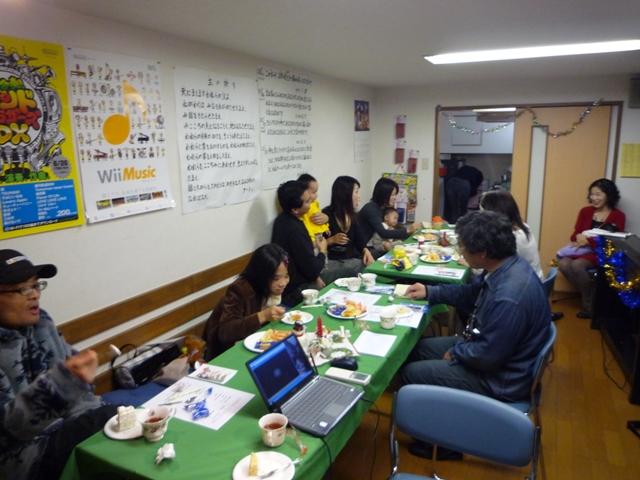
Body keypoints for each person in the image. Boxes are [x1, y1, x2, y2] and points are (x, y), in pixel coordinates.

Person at [401, 211, 551, 460]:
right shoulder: (506, 265)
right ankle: (438, 417)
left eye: (462, 247)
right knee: (416, 350)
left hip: (501, 378)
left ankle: (445, 444)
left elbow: (488, 357)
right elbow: (472, 294)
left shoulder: (509, 296)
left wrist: (457, 352)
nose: (460, 251)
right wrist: (431, 292)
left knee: (412, 372)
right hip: (491, 350)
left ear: (482, 253)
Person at [0, 250, 118, 480]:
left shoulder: (41, 325)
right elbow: (5, 432)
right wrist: (63, 385)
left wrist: (79, 390)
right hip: (18, 458)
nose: (35, 295)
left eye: (36, 285)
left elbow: (80, 393)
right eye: (23, 289)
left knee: (124, 420)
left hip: (61, 429)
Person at [203, 244, 290, 360]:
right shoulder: (240, 289)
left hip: (254, 345)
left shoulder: (270, 288)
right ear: (262, 275)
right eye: (276, 278)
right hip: (225, 353)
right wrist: (263, 316)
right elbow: (226, 332)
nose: (283, 283)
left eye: (286, 276)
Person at [272, 180, 353, 306]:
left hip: (307, 277)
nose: (311, 201)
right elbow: (312, 268)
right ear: (295, 209)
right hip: (295, 288)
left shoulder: (283, 220)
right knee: (329, 301)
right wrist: (322, 250)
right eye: (307, 201)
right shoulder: (295, 230)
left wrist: (315, 275)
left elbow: (305, 262)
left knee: (349, 272)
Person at [558, 178, 625, 319]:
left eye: (598, 194)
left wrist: (587, 241)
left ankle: (588, 306)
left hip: (601, 253)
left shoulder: (618, 215)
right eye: (592, 194)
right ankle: (593, 295)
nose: (594, 198)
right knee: (563, 264)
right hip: (582, 250)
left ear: (609, 195)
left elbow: (613, 242)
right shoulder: (585, 211)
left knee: (577, 265)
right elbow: (575, 233)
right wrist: (578, 237)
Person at [479, 186, 543, 279]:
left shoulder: (513, 238)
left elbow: (496, 270)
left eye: (483, 211)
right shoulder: (522, 227)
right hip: (529, 279)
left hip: (523, 284)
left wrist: (471, 264)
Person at [322, 176, 374, 273]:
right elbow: (316, 246)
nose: (359, 196)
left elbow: (360, 240)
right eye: (356, 192)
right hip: (332, 262)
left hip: (350, 260)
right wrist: (331, 240)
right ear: (345, 194)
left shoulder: (352, 216)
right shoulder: (326, 215)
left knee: (372, 264)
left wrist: (366, 251)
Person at [358, 177, 421, 258]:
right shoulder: (370, 209)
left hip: (376, 243)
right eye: (392, 194)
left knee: (405, 246)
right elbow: (383, 233)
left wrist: (409, 232)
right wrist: (407, 230)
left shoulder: (383, 208)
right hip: (365, 248)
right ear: (383, 194)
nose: (395, 197)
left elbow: (391, 227)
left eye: (395, 194)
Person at [297, 173, 330, 243]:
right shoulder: (304, 208)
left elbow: (321, 218)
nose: (316, 195)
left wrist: (325, 228)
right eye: (313, 192)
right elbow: (306, 224)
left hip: (320, 234)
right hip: (312, 237)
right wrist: (312, 239)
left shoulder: (315, 203)